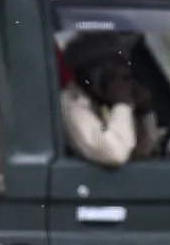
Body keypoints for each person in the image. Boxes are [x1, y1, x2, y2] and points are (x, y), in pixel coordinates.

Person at [59, 31, 162, 166]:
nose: (125, 81)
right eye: (117, 71)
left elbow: (139, 154)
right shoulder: (72, 104)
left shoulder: (98, 106)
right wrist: (122, 103)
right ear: (95, 75)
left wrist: (143, 112)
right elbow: (115, 153)